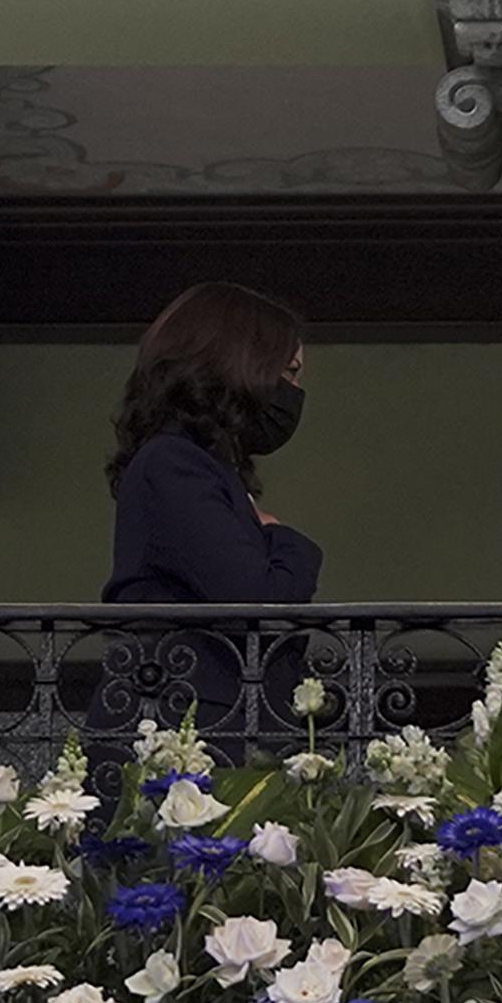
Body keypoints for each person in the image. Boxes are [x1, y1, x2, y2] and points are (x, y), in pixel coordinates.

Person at [101, 282, 322, 735]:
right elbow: (259, 603)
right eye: (290, 371)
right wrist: (284, 540)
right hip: (189, 737)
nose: (294, 391)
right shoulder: (173, 462)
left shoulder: (202, 469)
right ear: (239, 364)